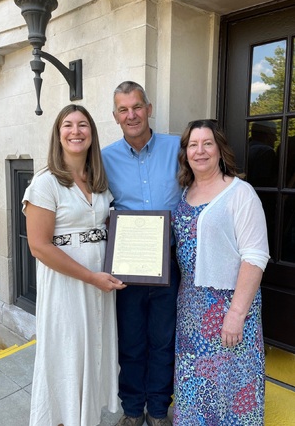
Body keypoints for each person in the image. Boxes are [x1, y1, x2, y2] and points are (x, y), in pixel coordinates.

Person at [22, 104, 126, 426]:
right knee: (67, 356)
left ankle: (86, 419)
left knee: (93, 352)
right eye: (68, 125)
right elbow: (39, 246)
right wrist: (91, 277)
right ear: (58, 134)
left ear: (92, 135)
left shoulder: (97, 180)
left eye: (83, 125)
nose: (76, 131)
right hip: (67, 286)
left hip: (99, 283)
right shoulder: (46, 183)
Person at [172, 119, 270, 425]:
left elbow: (255, 256)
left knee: (229, 387)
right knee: (195, 385)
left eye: (207, 143)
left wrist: (236, 314)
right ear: (185, 153)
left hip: (228, 306)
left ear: (219, 150)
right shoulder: (185, 191)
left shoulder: (240, 193)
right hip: (191, 307)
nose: (200, 151)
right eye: (193, 145)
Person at [102, 81, 182, 426]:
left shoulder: (178, 147)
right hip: (127, 266)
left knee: (164, 340)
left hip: (170, 262)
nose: (131, 115)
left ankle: (159, 410)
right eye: (124, 109)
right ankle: (134, 410)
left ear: (148, 108)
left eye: (137, 107)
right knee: (131, 341)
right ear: (116, 116)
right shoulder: (104, 157)